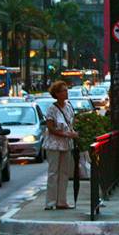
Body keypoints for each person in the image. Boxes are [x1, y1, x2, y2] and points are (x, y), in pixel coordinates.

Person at [44, 80, 78, 210]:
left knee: (64, 172)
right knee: (53, 172)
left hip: (66, 144)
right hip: (54, 144)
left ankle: (61, 201)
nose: (66, 92)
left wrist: (72, 133)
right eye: (63, 90)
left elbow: (71, 123)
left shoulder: (69, 107)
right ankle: (50, 202)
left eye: (66, 90)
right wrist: (67, 134)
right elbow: (51, 128)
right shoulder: (52, 109)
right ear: (57, 94)